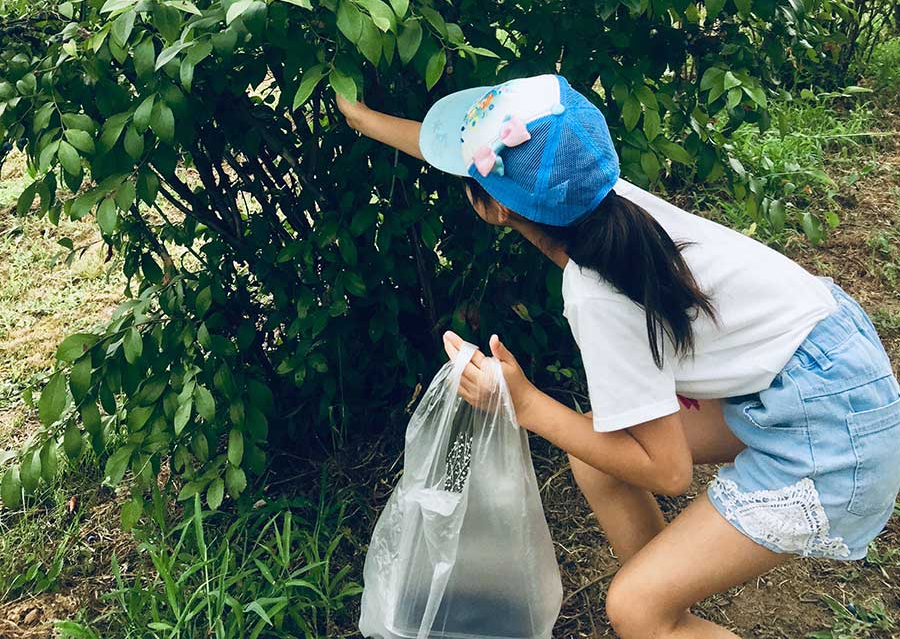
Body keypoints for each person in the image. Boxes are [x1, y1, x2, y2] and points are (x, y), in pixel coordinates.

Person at [335, 71, 900, 639]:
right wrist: (361, 118)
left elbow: (669, 472)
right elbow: (468, 155)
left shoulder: (595, 293)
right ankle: (670, 605)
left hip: (832, 428)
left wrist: (523, 402)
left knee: (633, 609)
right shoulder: (597, 196)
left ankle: (657, 614)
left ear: (495, 209)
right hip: (823, 364)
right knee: (596, 457)